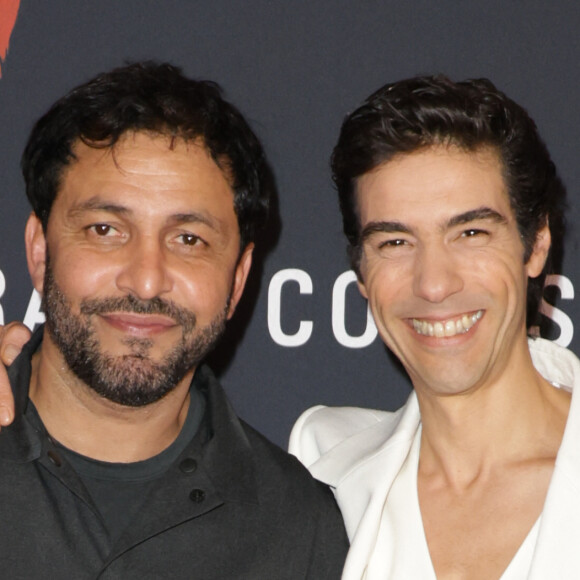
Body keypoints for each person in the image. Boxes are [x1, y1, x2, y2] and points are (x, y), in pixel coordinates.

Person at [0, 61, 348, 578]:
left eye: (189, 240)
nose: (145, 280)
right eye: (105, 229)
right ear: (40, 250)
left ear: (237, 280)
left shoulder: (303, 530)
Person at [289, 75, 579, 579]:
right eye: (395, 243)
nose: (434, 284)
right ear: (360, 273)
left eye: (470, 233)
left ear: (535, 247)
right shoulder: (321, 474)